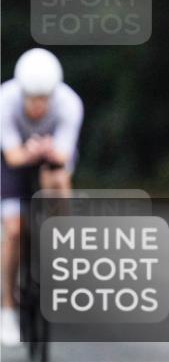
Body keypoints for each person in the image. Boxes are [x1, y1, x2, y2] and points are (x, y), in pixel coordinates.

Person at [0, 48, 83, 346]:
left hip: (49, 158)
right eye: (32, 100)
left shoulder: (69, 103)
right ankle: (7, 309)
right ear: (22, 93)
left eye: (43, 100)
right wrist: (31, 150)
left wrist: (46, 152)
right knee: (13, 230)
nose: (38, 107)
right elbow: (11, 156)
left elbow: (63, 154)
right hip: (14, 161)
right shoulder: (5, 100)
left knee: (58, 178)